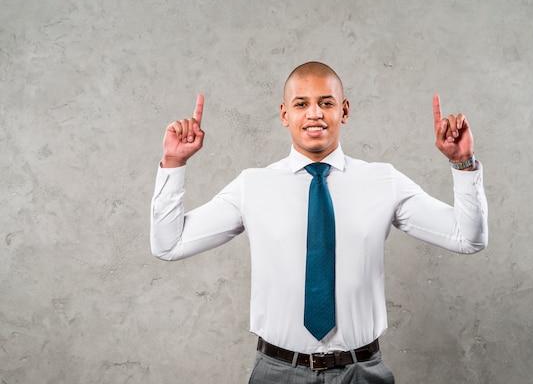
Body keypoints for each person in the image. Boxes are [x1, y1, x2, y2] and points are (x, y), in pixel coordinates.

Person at [150, 61, 488, 383]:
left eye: (326, 102)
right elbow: (169, 244)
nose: (314, 113)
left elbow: (467, 238)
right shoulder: (252, 185)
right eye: (301, 103)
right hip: (279, 372)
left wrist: (463, 163)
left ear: (344, 110)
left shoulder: (384, 181)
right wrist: (173, 162)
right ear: (285, 114)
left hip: (362, 372)